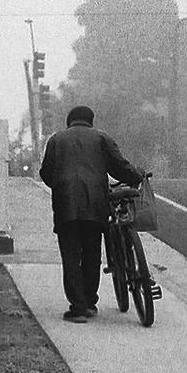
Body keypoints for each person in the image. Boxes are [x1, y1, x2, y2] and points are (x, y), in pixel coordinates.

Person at [39, 105, 145, 323]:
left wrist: (61, 185)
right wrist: (137, 176)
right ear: (91, 121)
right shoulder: (101, 138)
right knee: (92, 252)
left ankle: (77, 309)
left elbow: (46, 173)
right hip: (96, 205)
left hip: (66, 205)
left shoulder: (56, 140)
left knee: (71, 255)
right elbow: (119, 166)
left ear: (69, 121)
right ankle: (89, 302)